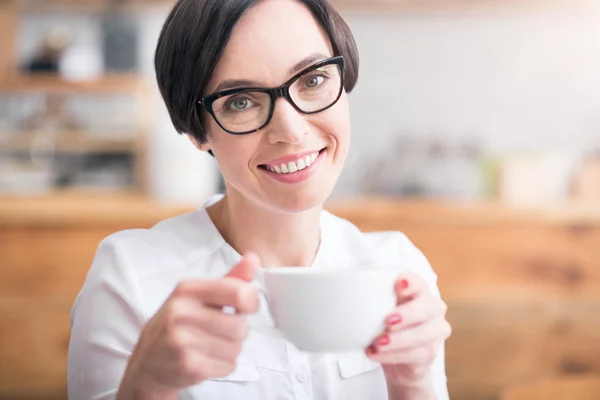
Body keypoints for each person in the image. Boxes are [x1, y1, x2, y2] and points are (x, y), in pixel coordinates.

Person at [67, 0, 452, 399]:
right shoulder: (130, 278)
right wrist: (148, 385)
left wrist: (413, 383)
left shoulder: (400, 272)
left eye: (313, 79)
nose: (290, 130)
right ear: (197, 133)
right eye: (240, 102)